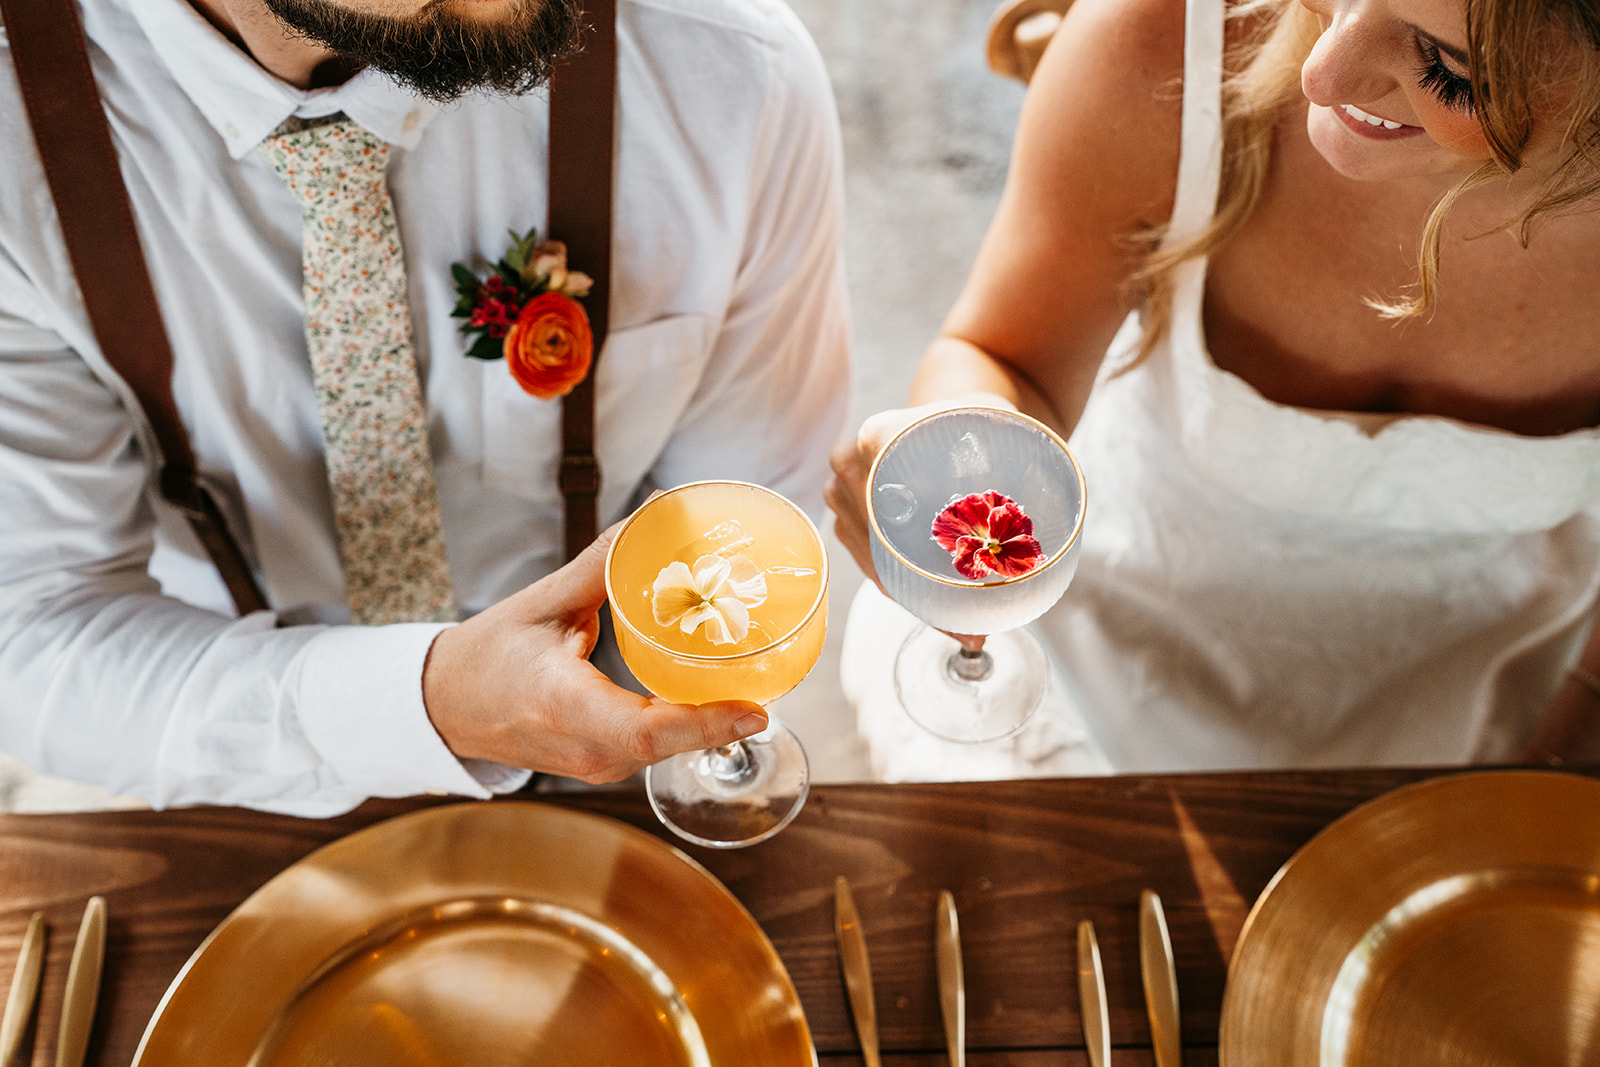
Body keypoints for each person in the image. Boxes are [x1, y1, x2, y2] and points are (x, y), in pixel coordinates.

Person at [0, 0, 850, 813]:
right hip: (222, 754)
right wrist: (417, 706)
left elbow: (751, 521)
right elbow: (36, 639)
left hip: (631, 761)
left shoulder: (729, 71)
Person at [828, 0, 1600, 779]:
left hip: (1496, 695)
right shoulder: (1165, 42)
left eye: (1448, 69)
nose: (1322, 73)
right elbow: (1006, 356)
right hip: (1090, 647)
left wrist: (1556, 766)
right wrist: (968, 443)